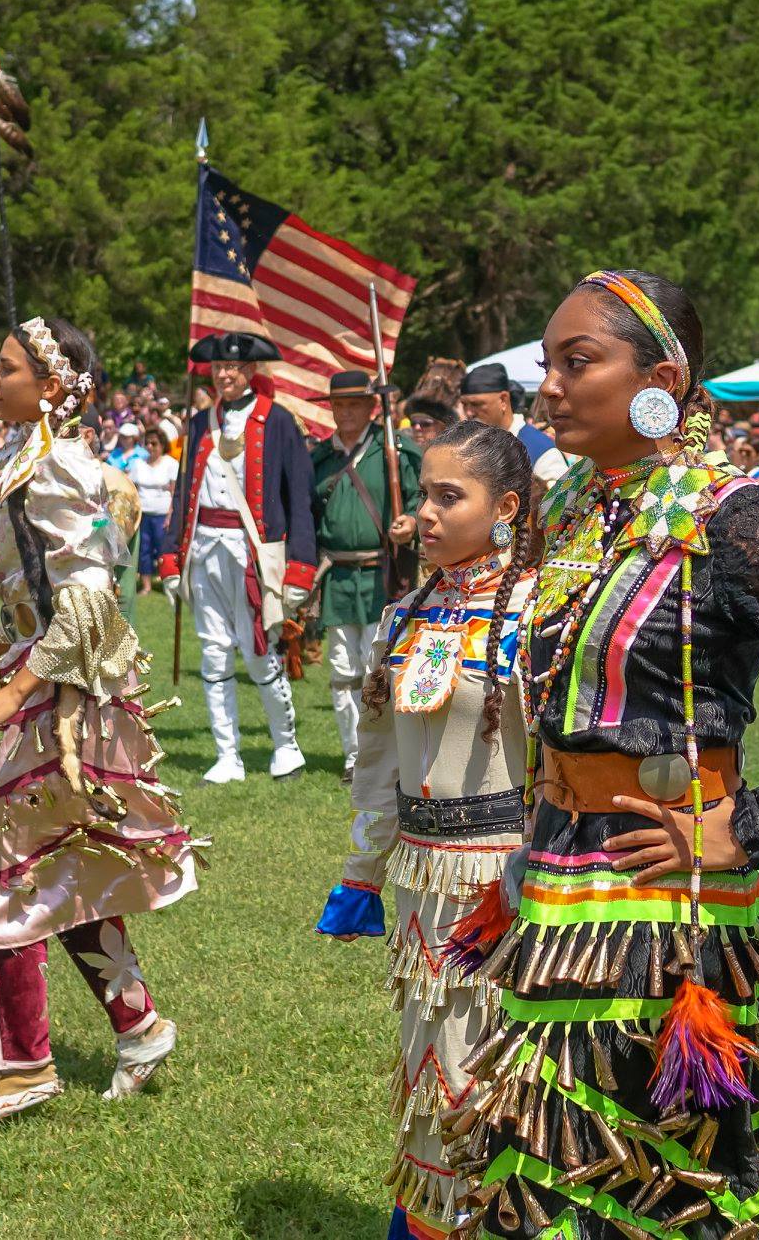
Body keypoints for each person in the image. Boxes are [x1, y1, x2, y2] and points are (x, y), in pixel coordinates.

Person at [438, 270, 759, 1239]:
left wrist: (747, 827)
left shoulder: (732, 521)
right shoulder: (575, 505)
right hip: (557, 885)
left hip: (667, 912)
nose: (550, 387)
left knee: (667, 1178)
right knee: (548, 1164)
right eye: (549, 364)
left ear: (661, 374)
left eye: (579, 362)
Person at [0, 315, 198, 1125]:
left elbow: (89, 599)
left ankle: (23, 1070)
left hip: (59, 703)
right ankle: (140, 1025)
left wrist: (16, 693)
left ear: (51, 387)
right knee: (63, 870)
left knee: (5, 884)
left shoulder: (57, 466)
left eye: (6, 367)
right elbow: (35, 598)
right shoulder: (23, 462)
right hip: (42, 682)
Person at [315, 421, 539, 1236]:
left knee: (498, 1071)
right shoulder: (404, 614)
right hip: (420, 877)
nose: (427, 514)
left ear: (505, 506)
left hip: (509, 877)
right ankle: (434, 1219)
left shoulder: (537, 615)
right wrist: (361, 868)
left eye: (451, 496)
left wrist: (542, 872)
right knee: (432, 1069)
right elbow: (378, 759)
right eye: (424, 496)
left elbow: (555, 763)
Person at [160, 331, 319, 784]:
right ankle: (226, 755)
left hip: (253, 552)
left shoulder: (279, 422)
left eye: (233, 367)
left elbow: (299, 500)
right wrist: (172, 559)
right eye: (218, 367)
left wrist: (299, 569)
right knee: (212, 654)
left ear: (250, 372)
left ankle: (286, 747)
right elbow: (181, 494)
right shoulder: (197, 425)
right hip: (203, 547)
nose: (224, 374)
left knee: (259, 651)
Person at [310, 369, 422, 783]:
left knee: (379, 667)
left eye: (354, 404)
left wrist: (410, 520)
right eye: (339, 405)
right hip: (337, 576)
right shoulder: (320, 459)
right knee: (342, 670)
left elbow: (418, 496)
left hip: (383, 575)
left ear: (372, 407)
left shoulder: (395, 452)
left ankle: (388, 756)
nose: (345, 413)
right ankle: (354, 756)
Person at [457, 363, 570, 493]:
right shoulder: (467, 446)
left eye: (476, 404)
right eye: (465, 404)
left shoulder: (541, 451)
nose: (469, 412)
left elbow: (558, 503)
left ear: (503, 400)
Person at [126, 429, 176, 594]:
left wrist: (171, 515)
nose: (150, 446)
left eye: (154, 443)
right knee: (144, 550)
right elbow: (131, 489)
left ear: (162, 445)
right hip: (143, 515)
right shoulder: (138, 464)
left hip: (162, 514)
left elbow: (175, 492)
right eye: (147, 442)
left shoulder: (170, 463)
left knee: (164, 550)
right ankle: (146, 586)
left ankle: (167, 584)